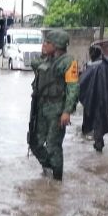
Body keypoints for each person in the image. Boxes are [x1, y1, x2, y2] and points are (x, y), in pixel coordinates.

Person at [27, 29, 80, 181]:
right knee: (34, 142)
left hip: (57, 110)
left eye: (47, 42)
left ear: (56, 45)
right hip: (41, 107)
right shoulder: (46, 60)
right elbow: (34, 64)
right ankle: (49, 167)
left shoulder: (68, 62)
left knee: (53, 145)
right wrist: (44, 53)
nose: (44, 44)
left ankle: (57, 180)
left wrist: (67, 111)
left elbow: (73, 87)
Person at [78, 44, 108, 153]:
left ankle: (99, 146)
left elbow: (82, 85)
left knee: (99, 122)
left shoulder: (92, 67)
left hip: (100, 99)